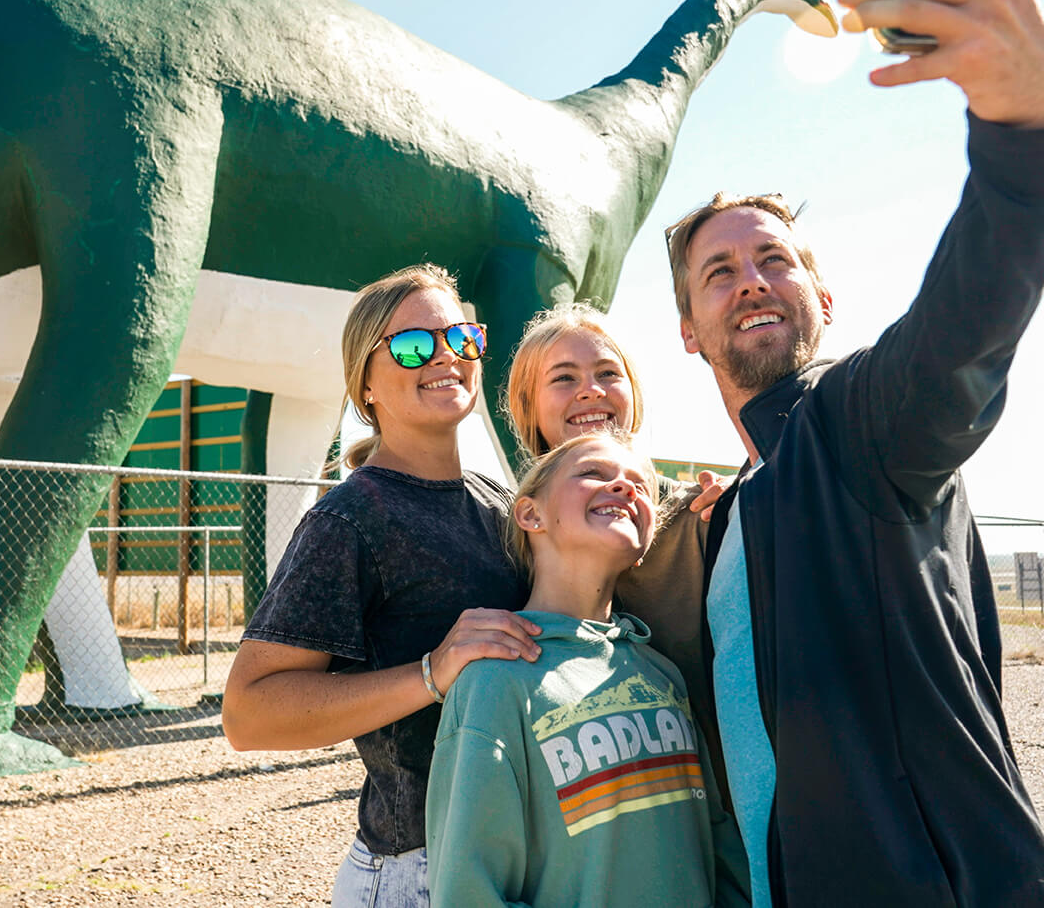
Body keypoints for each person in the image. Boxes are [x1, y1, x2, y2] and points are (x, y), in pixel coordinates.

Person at [662, 0, 1044, 906]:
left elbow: (958, 336)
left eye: (776, 259)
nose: (752, 281)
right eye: (719, 271)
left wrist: (1031, 136)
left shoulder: (858, 427)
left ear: (824, 295)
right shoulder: (730, 515)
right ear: (686, 329)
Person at [222, 262, 541, 908]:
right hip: (421, 868)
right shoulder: (351, 518)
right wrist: (430, 672)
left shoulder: (496, 502)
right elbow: (248, 712)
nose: (445, 356)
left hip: (513, 850)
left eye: (461, 337)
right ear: (365, 382)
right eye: (414, 345)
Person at [425, 430, 747, 908]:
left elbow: (719, 852)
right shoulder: (495, 677)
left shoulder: (662, 675)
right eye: (593, 474)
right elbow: (470, 893)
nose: (624, 487)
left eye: (640, 485)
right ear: (531, 513)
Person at [501, 301, 729, 795]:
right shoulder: (506, 535)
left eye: (608, 372)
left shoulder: (704, 516)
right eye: (563, 378)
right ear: (529, 407)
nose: (590, 389)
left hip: (712, 804)